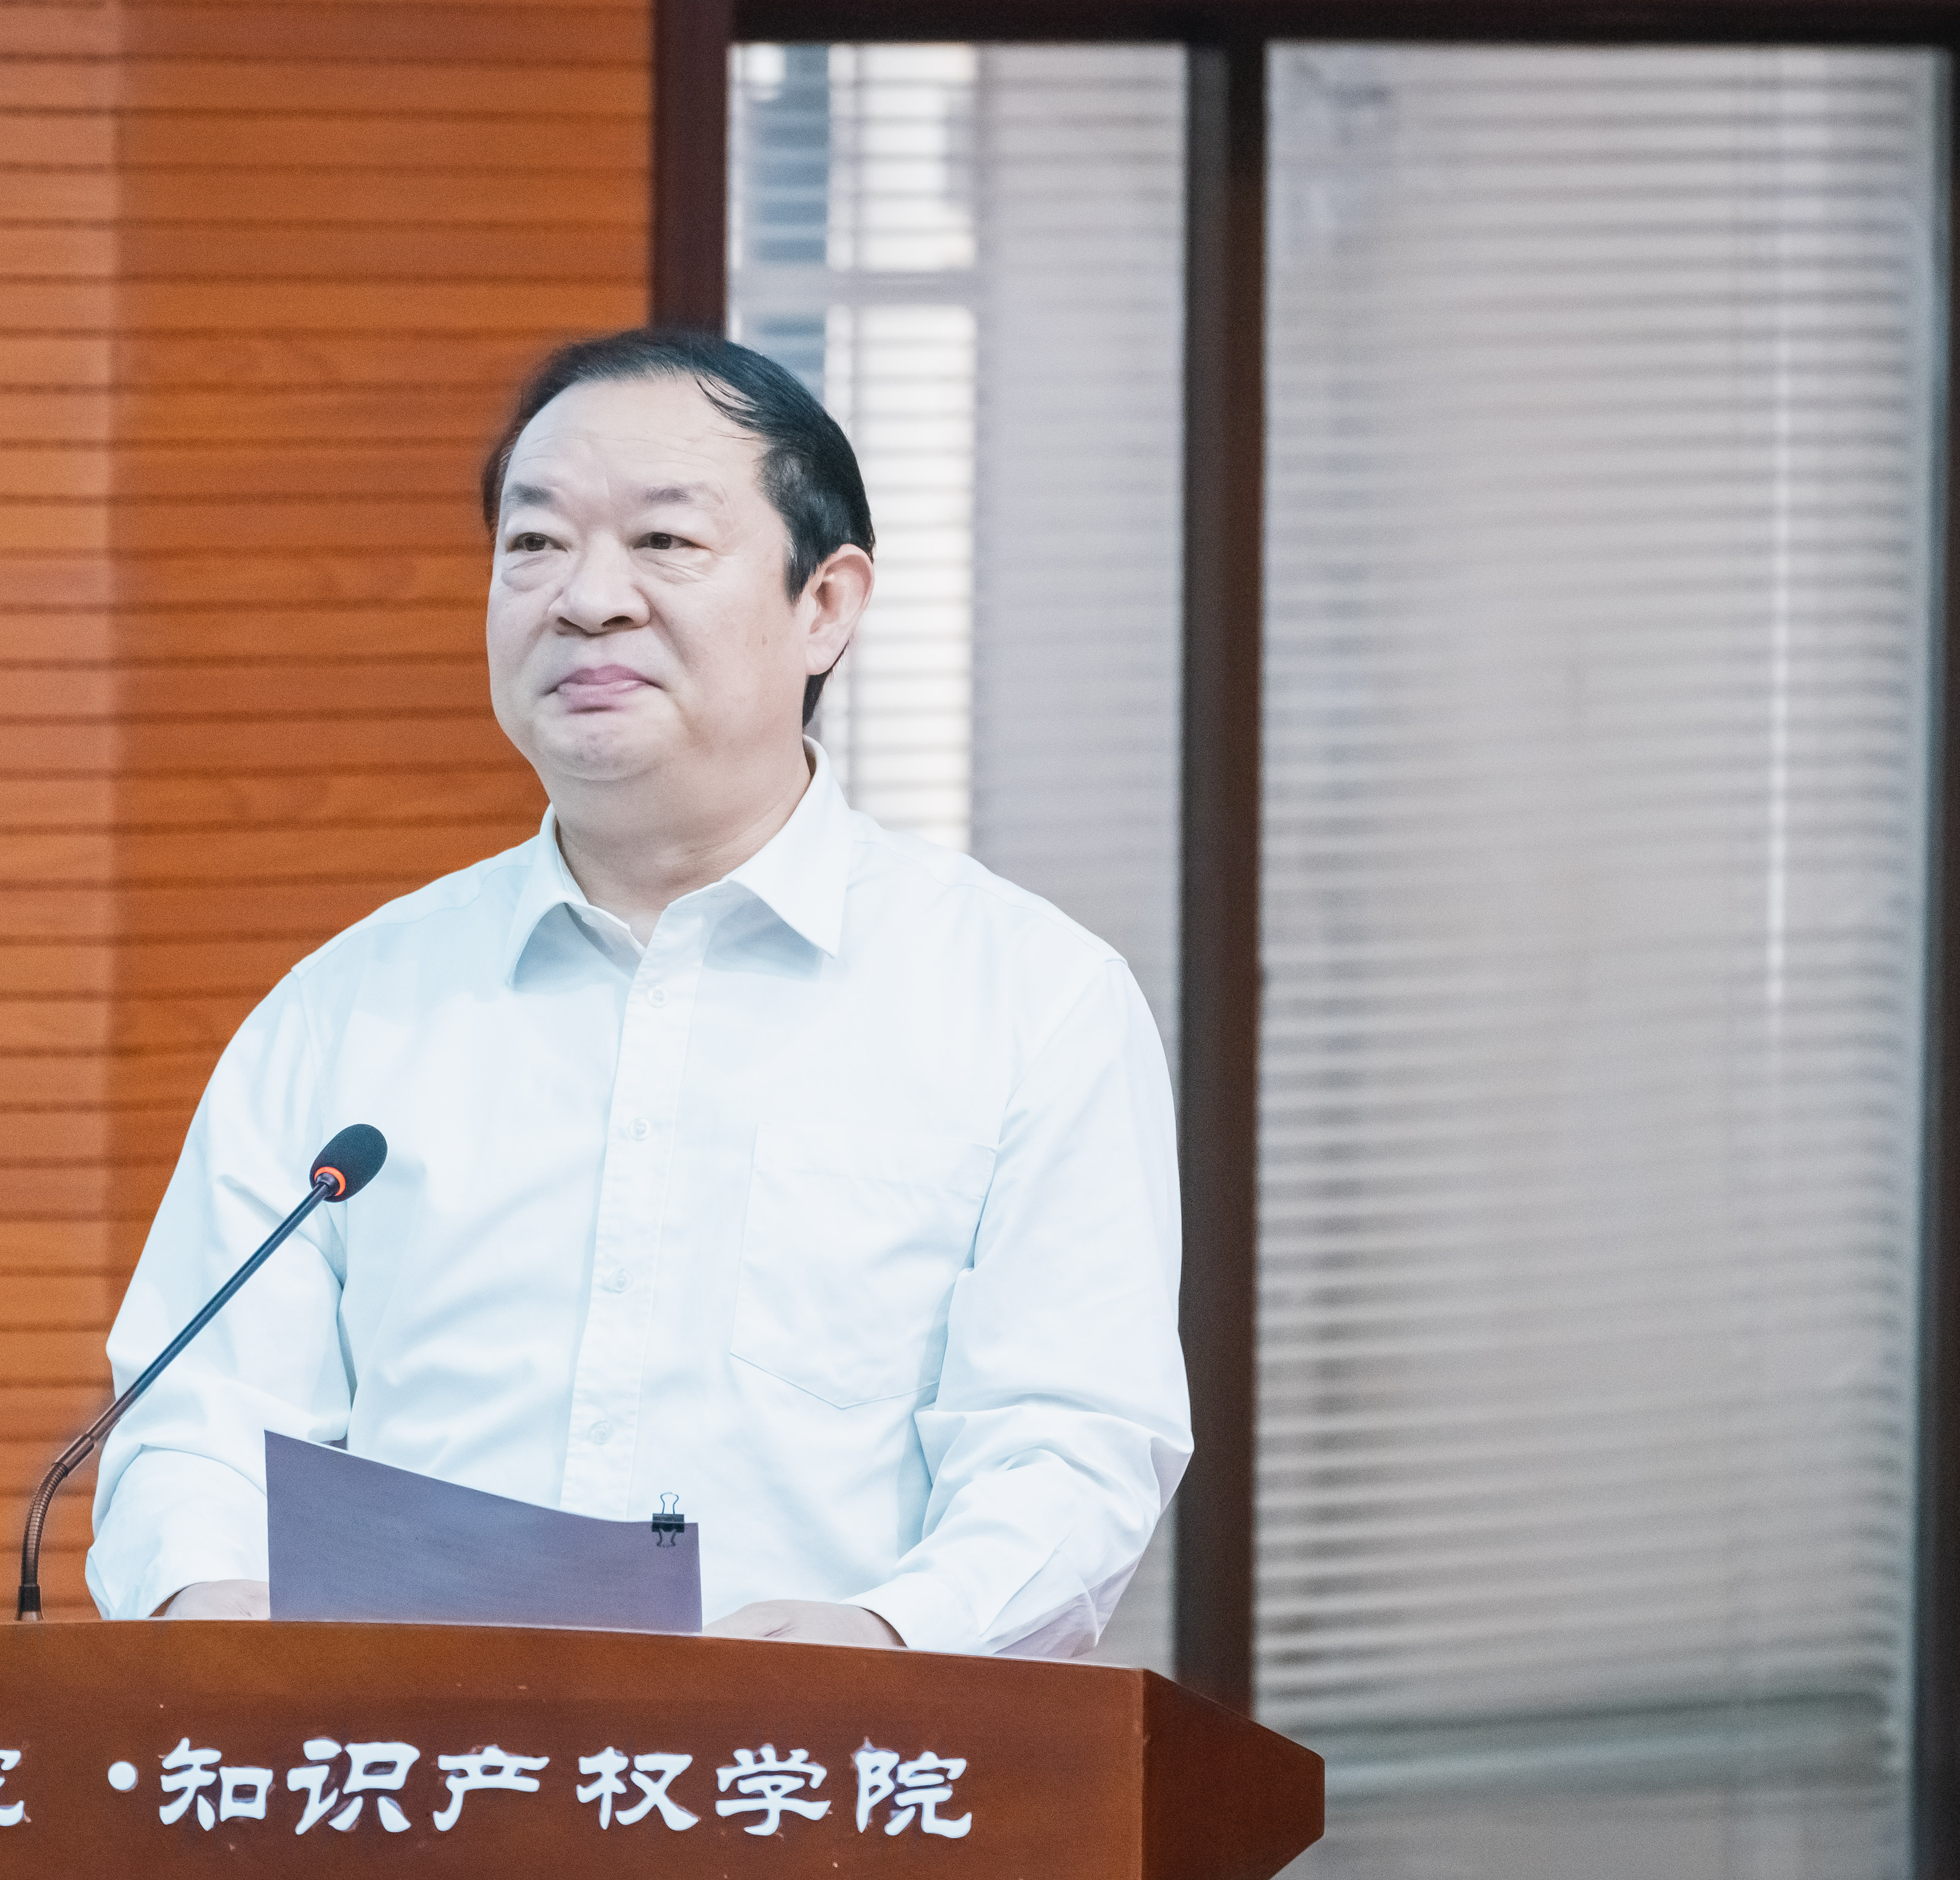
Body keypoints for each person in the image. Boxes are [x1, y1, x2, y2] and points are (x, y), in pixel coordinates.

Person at [81, 328, 1188, 1655]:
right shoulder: (350, 1009)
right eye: (535, 544)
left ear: (826, 605)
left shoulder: (1027, 1003)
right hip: (408, 1763)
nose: (588, 598)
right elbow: (195, 1420)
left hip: (826, 1761)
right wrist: (204, 1610)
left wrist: (893, 1636)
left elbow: (1070, 1441)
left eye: (665, 541)